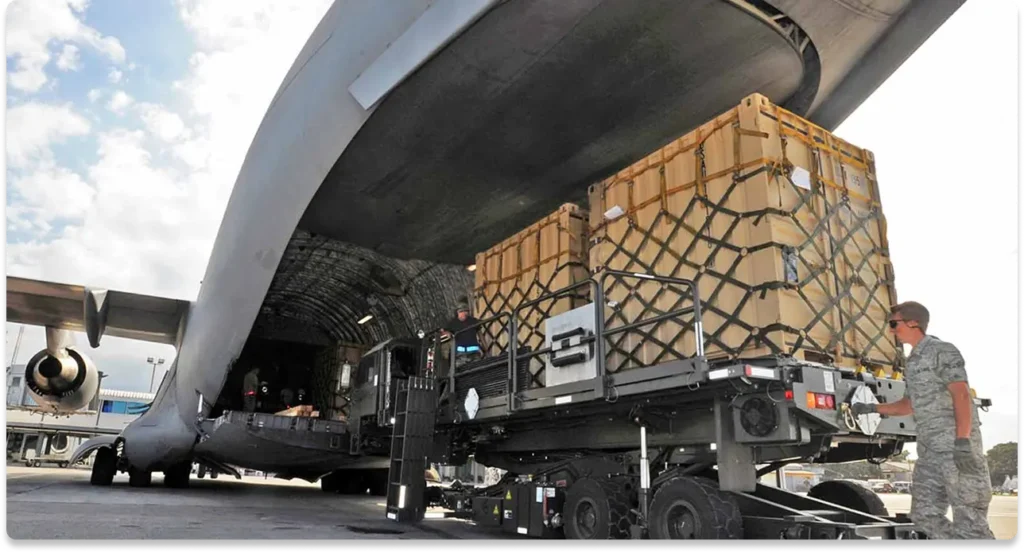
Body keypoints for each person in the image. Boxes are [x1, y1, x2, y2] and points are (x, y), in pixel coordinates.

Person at [850, 301, 994, 540]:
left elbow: (961, 394)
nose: (891, 329)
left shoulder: (942, 350)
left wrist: (963, 441)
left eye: (894, 323)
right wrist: (873, 407)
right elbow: (908, 404)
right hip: (929, 451)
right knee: (924, 515)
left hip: (956, 448)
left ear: (913, 323)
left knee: (970, 520)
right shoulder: (913, 361)